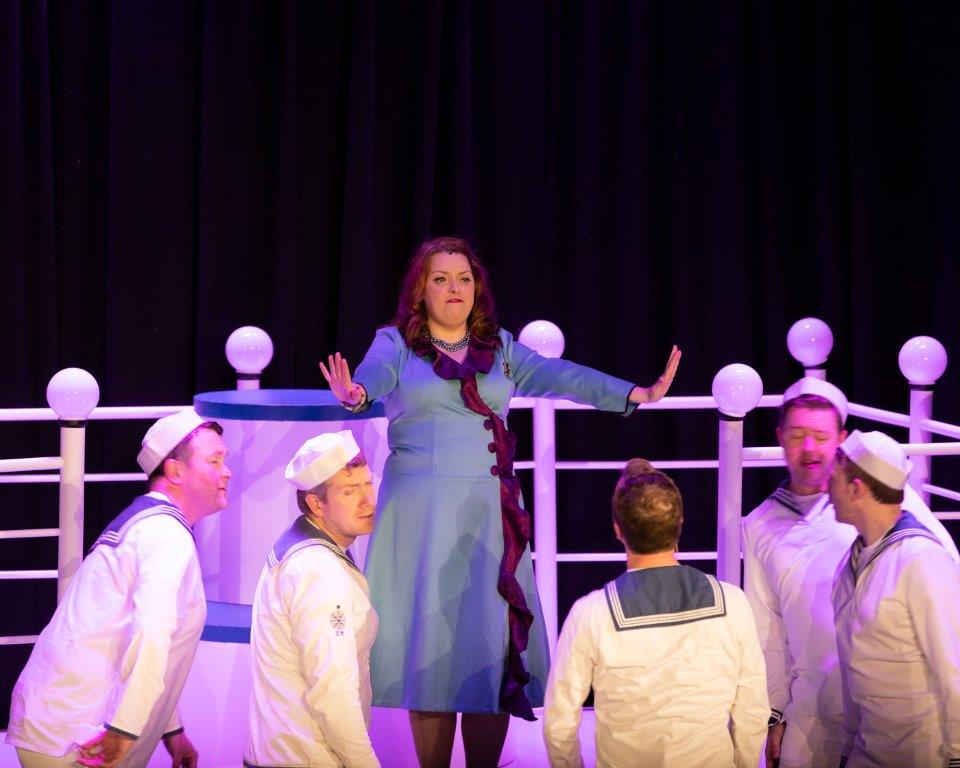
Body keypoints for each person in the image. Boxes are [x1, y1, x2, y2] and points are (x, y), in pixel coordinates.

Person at [320, 235, 681, 767]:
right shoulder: (395, 344)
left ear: (477, 288)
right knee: (430, 651)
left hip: (488, 516)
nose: (454, 288)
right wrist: (356, 394)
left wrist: (635, 394)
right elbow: (370, 380)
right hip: (421, 516)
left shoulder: (501, 350)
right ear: (420, 290)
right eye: (440, 279)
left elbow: (564, 376)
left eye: (464, 278)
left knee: (489, 646)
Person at [741, 378, 958, 768]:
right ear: (780, 437)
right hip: (815, 708)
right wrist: (773, 714)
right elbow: (767, 630)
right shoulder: (760, 525)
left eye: (821, 437)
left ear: (840, 440)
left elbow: (946, 601)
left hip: (901, 713)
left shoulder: (886, 499)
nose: (810, 448)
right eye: (798, 435)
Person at [5, 409, 231, 768]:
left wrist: (170, 730)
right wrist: (124, 729)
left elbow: (131, 631)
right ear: (175, 471)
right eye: (215, 461)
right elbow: (152, 633)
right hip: (80, 738)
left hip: (66, 724)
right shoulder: (163, 534)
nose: (227, 471)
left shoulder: (148, 525)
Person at [543, 459, 769, 767]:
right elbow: (752, 709)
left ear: (618, 529)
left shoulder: (591, 614)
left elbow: (559, 722)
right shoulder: (733, 602)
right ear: (680, 522)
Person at [245, 430, 380, 768]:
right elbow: (333, 692)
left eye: (368, 484)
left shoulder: (307, 553)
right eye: (350, 491)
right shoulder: (318, 570)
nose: (368, 500)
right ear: (316, 504)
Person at [830, 430, 960, 768]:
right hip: (867, 749)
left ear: (856, 489)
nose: (827, 492)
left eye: (834, 480)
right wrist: (847, 744)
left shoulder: (922, 560)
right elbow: (852, 669)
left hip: (923, 754)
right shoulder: (849, 564)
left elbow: (954, 667)